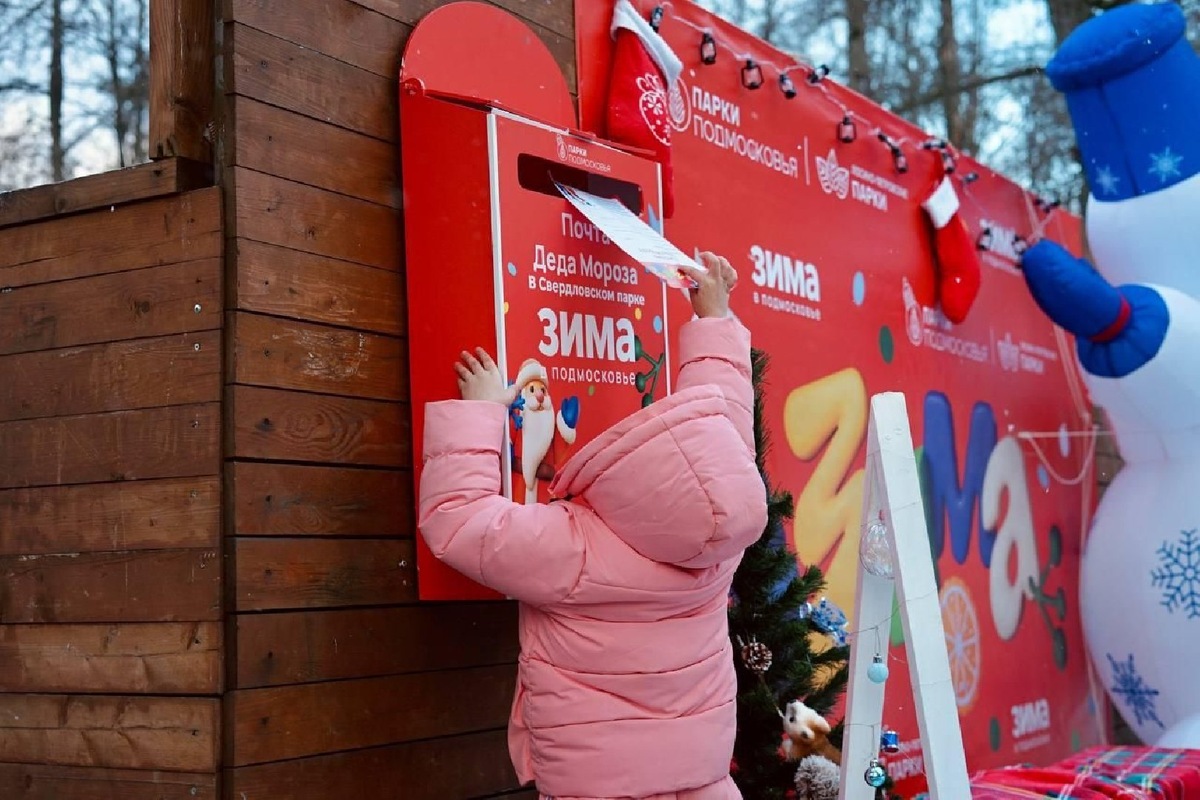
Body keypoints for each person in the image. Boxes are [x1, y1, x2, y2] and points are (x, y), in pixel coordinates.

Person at [418, 252, 768, 800]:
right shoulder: (723, 537)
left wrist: (482, 411)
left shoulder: (578, 548)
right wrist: (715, 320)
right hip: (703, 780)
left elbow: (459, 521)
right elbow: (726, 431)